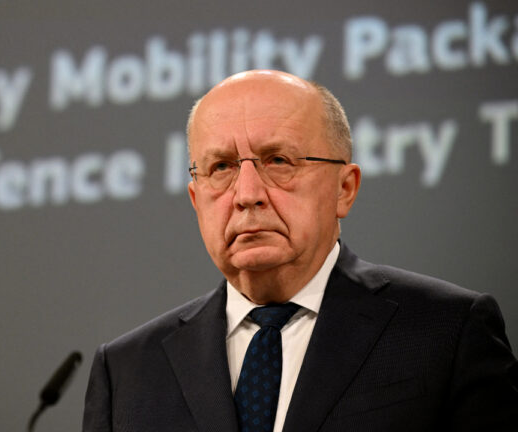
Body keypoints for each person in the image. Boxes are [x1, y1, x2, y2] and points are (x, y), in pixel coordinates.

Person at [82, 70, 518, 432]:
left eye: (278, 161)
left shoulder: (447, 331)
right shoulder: (126, 373)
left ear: (344, 189)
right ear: (197, 200)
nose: (246, 194)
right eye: (221, 167)